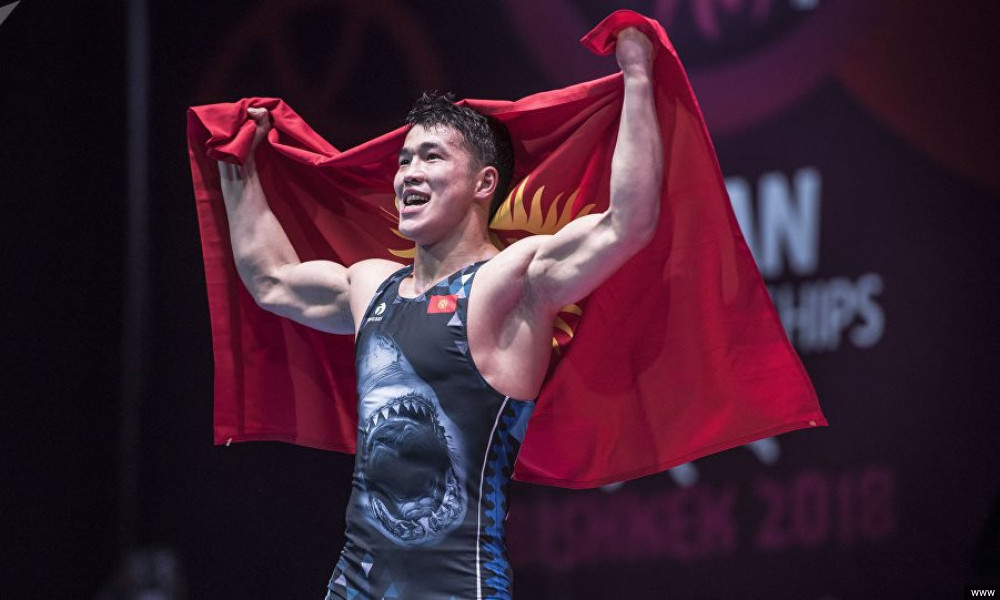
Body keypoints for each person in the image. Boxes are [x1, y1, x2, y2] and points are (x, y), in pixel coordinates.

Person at [217, 26, 660, 600]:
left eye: (431, 157)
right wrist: (238, 166)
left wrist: (637, 72)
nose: (409, 173)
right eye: (404, 160)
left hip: (458, 587)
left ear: (484, 183)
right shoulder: (371, 284)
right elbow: (271, 280)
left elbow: (628, 222)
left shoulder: (511, 283)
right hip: (353, 584)